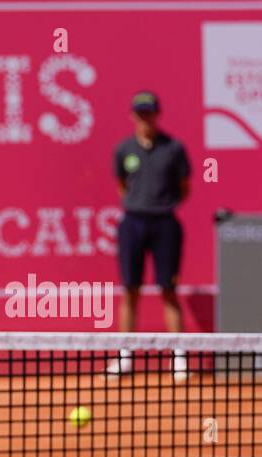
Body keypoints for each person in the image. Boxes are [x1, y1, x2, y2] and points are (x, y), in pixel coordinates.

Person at [110, 91, 192, 380]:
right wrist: (139, 204)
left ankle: (180, 358)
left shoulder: (174, 149)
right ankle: (124, 357)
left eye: (150, 112)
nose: (146, 118)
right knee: (130, 290)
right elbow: (122, 184)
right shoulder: (124, 150)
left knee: (168, 290)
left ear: (158, 114)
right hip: (132, 223)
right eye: (140, 113)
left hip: (165, 224)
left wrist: (161, 206)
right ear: (133, 115)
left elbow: (184, 188)